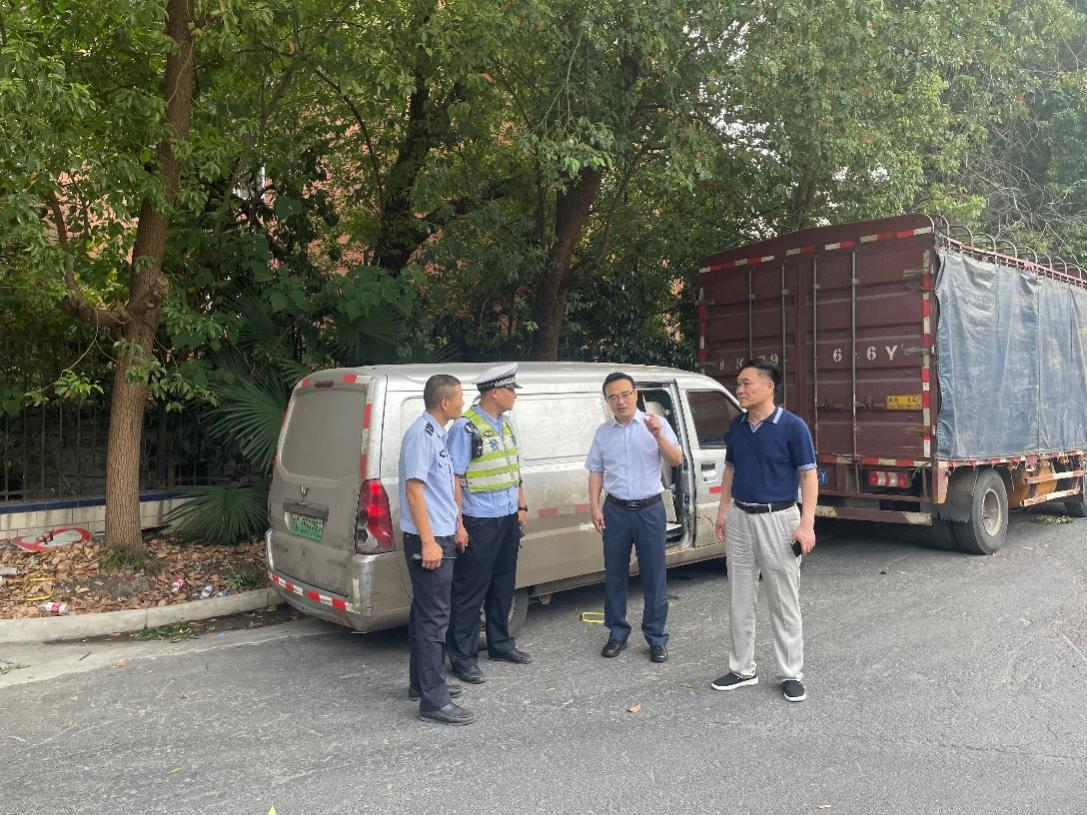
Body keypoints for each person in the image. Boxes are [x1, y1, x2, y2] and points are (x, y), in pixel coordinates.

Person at [712, 358, 818, 703]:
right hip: (741, 517)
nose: (740, 390)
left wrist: (806, 524)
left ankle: (791, 673)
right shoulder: (737, 426)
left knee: (783, 599)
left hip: (779, 518)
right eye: (738, 384)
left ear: (769, 387)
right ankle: (742, 669)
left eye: (747, 383)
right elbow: (730, 470)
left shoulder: (792, 427)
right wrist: (723, 511)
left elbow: (808, 475)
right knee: (739, 596)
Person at [586, 372, 683, 662]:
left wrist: (658, 435)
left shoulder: (656, 423)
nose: (620, 401)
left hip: (650, 510)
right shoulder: (603, 433)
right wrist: (594, 506)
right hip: (615, 510)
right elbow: (596, 471)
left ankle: (656, 637)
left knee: (654, 575)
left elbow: (676, 459)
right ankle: (617, 633)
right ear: (607, 401)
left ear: (635, 394)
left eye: (625, 394)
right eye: (613, 397)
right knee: (615, 573)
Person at [446, 363, 531, 684]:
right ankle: (463, 657)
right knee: (471, 590)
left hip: (507, 517)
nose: (515, 396)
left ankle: (501, 644)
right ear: (495, 393)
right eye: (511, 390)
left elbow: (513, 468)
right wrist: (458, 524)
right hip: (479, 519)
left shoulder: (505, 424)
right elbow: (452, 478)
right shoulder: (466, 428)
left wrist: (521, 504)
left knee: (503, 584)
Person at [399, 374, 474, 725]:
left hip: (440, 534)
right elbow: (414, 491)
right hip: (428, 540)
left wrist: (456, 525)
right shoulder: (422, 435)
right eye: (459, 398)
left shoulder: (437, 434)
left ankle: (422, 683)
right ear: (445, 402)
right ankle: (434, 700)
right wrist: (429, 541)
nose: (462, 403)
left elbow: (438, 490)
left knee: (425, 613)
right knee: (434, 619)